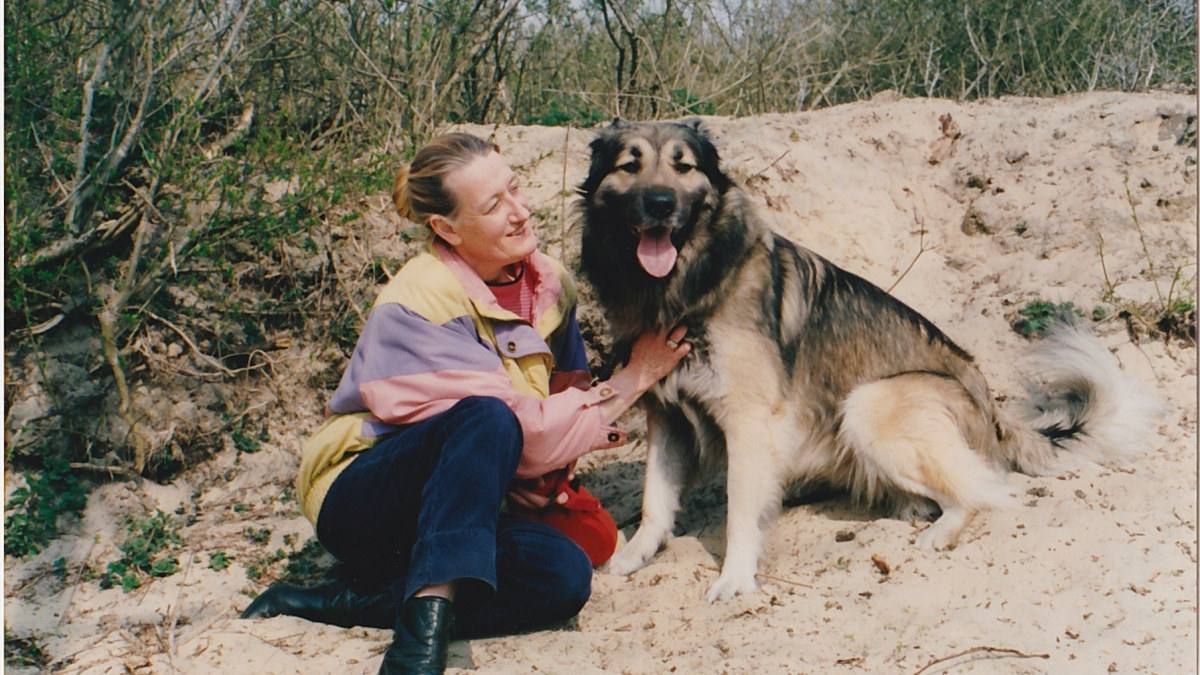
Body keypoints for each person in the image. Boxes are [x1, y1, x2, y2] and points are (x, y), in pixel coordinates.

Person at [241, 132, 690, 675]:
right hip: (363, 495)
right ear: (446, 229)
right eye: (494, 205)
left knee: (564, 575)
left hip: (464, 499)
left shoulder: (551, 283)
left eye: (516, 189)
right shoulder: (417, 300)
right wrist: (637, 375)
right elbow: (522, 429)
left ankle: (336, 601)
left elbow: (567, 396)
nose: (521, 213)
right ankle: (415, 650)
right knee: (486, 416)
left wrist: (538, 480)